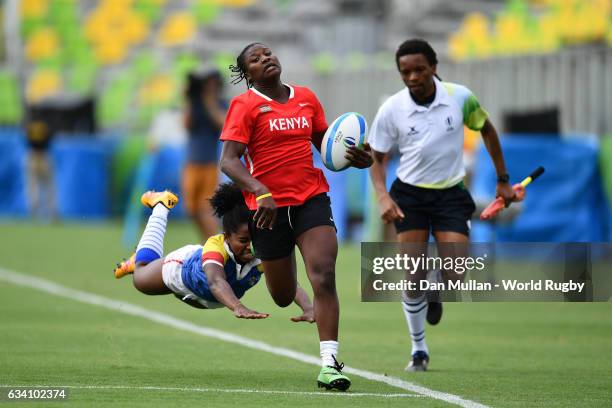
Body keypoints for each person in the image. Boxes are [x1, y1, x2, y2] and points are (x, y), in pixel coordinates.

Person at [219, 42, 373, 391]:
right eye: (255, 60)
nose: (266, 59)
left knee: (324, 274)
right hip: (268, 211)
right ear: (248, 74)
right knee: (282, 294)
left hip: (311, 200)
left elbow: (328, 148)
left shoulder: (306, 97)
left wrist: (358, 158)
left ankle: (330, 364)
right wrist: (260, 192)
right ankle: (288, 283)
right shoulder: (244, 106)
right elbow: (228, 161)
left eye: (268, 53)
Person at [368, 39, 516, 372]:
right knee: (412, 275)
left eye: (419, 69)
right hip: (409, 195)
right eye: (405, 71)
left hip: (450, 194)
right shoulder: (392, 108)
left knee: (456, 273)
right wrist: (382, 194)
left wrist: (503, 179)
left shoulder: (459, 97)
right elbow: (376, 158)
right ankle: (418, 350)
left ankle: (436, 288)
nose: (412, 77)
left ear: (434, 67)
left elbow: (488, 130)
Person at [113, 183, 315, 321]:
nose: (250, 247)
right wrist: (238, 307)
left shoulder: (259, 254)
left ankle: (141, 258)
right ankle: (161, 205)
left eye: (254, 240)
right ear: (226, 236)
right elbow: (216, 282)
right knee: (140, 278)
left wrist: (308, 307)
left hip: (203, 299)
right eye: (243, 240)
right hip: (181, 270)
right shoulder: (215, 246)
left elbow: (288, 283)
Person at [182, 69, 228, 240]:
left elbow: (223, 124)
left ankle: (214, 241)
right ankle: (207, 241)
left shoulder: (220, 103)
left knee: (206, 208)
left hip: (209, 163)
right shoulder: (194, 103)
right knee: (191, 208)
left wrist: (210, 101)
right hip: (191, 162)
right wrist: (189, 98)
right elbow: (186, 124)